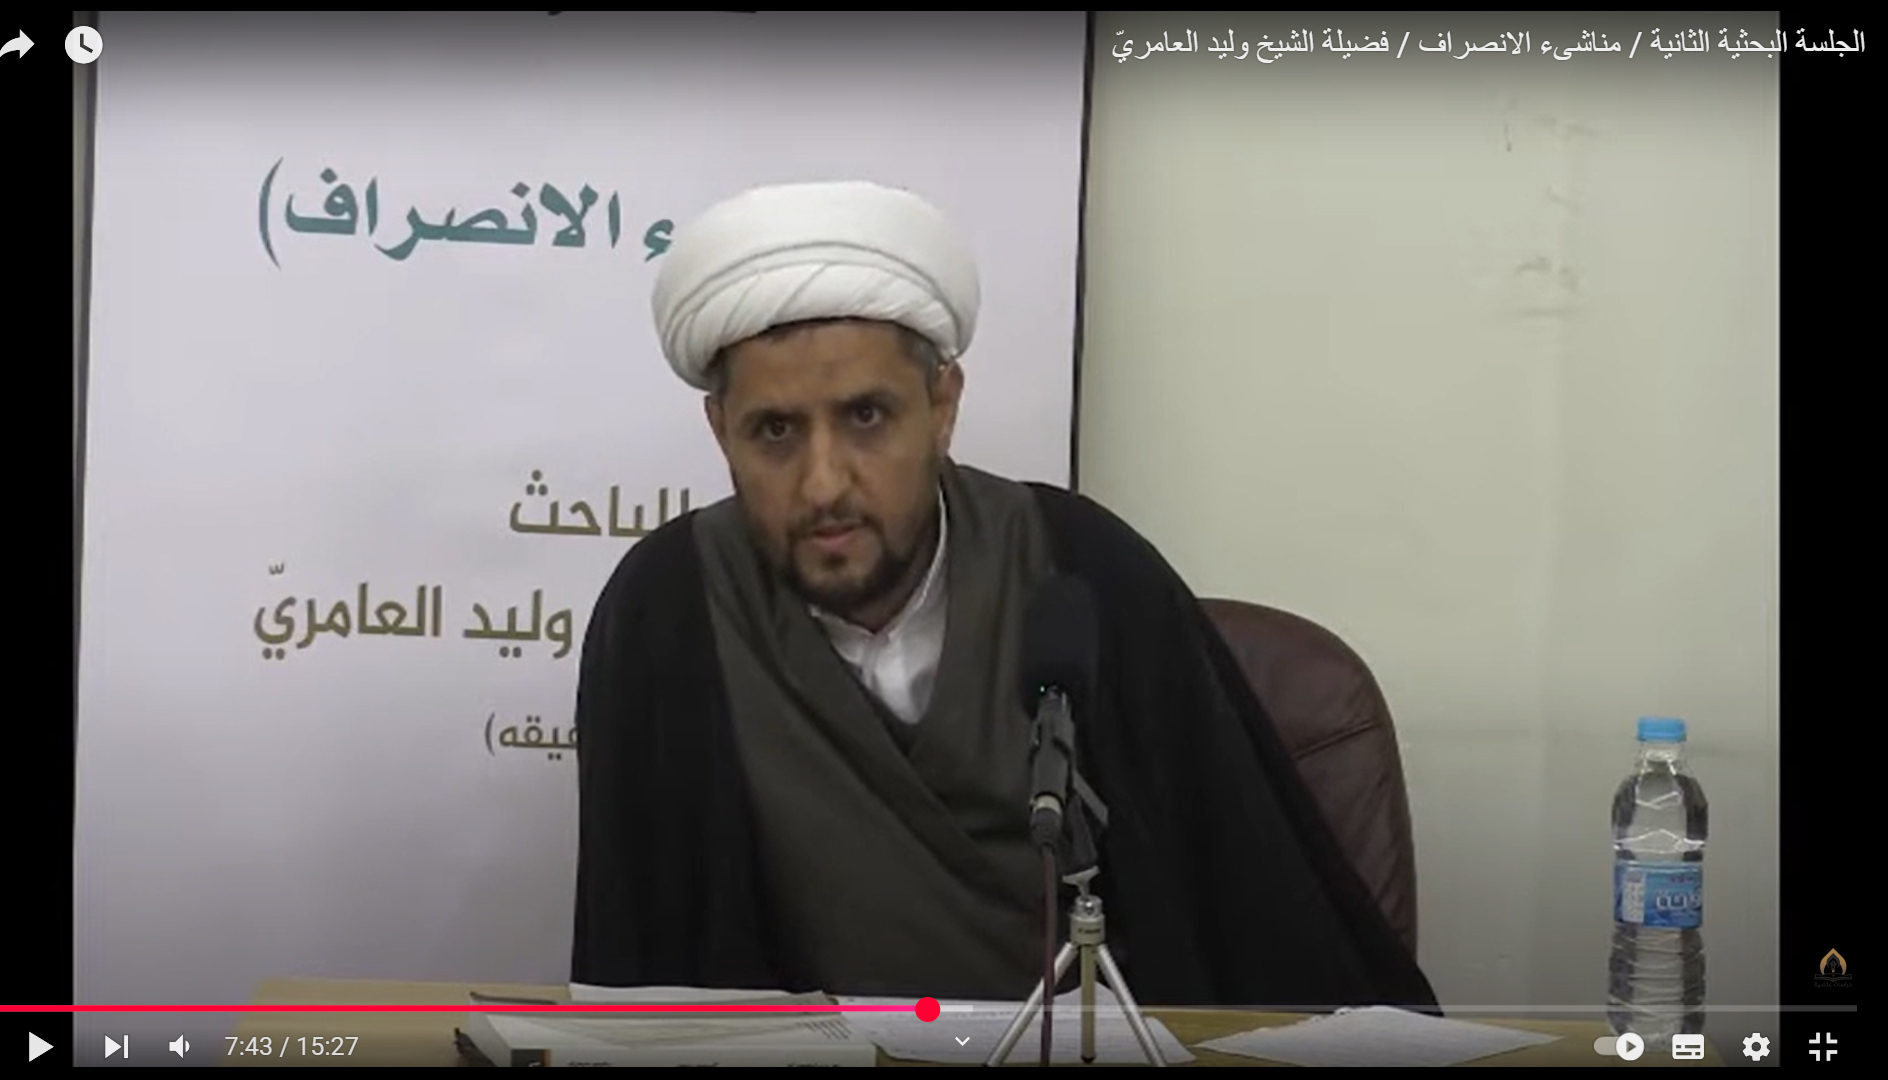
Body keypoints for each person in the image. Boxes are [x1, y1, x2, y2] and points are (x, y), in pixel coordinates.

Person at [570, 180, 1438, 1012]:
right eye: (775, 431)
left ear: (942, 405)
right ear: (720, 431)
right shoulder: (669, 611)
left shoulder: (1080, 566)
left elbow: (1247, 912)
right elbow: (649, 969)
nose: (823, 484)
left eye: (866, 417)